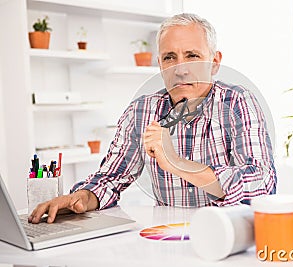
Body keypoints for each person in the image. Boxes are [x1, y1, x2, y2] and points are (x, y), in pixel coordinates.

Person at [29, 13, 277, 224]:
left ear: (214, 62)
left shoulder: (238, 103)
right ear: (160, 64)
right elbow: (110, 179)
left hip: (228, 235)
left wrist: (177, 162)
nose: (180, 69)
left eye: (192, 56)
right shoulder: (142, 111)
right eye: (170, 58)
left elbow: (262, 185)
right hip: (167, 236)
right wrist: (80, 198)